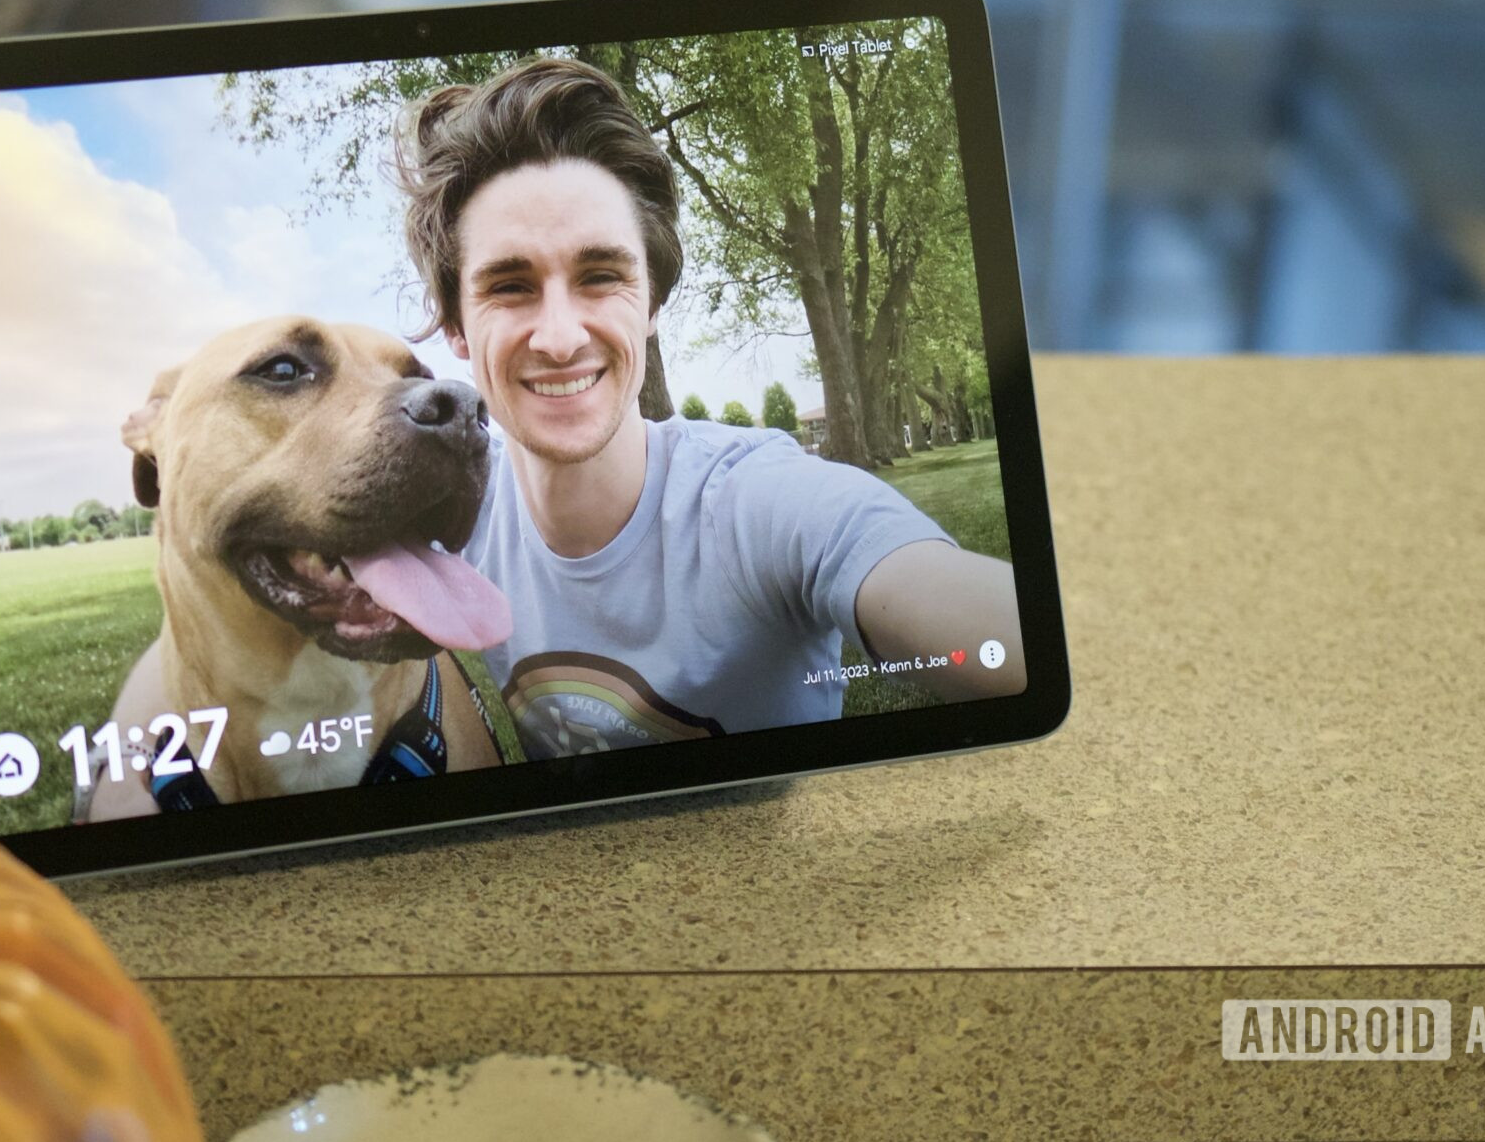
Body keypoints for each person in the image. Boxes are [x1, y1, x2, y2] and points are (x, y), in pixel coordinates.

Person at [396, 56, 1026, 759]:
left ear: (652, 303)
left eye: (601, 275)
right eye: (510, 286)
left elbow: (979, 621)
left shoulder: (756, 500)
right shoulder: (459, 520)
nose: (561, 336)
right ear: (456, 325)